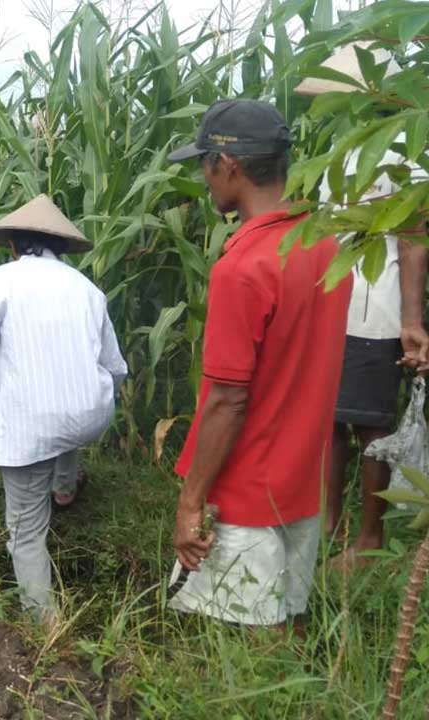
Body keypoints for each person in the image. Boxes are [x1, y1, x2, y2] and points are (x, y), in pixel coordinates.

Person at [166, 100, 352, 628]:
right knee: (287, 620)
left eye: (204, 163)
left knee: (246, 639)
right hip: (300, 482)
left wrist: (190, 502)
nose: (203, 178)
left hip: (244, 491)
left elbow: (229, 398)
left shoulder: (243, 267)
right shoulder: (323, 244)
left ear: (229, 166)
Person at [295, 44, 429, 570]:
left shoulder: (403, 153)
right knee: (329, 419)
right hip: (336, 307)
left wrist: (411, 321)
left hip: (377, 308)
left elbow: (414, 239)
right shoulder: (346, 150)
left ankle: (369, 539)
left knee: (371, 423)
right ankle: (328, 523)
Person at [0, 194, 127, 618]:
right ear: (59, 247)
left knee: (26, 531)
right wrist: (99, 398)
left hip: (34, 423)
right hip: (89, 414)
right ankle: (65, 487)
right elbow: (114, 366)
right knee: (63, 420)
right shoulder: (88, 289)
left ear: (14, 245)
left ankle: (43, 621)